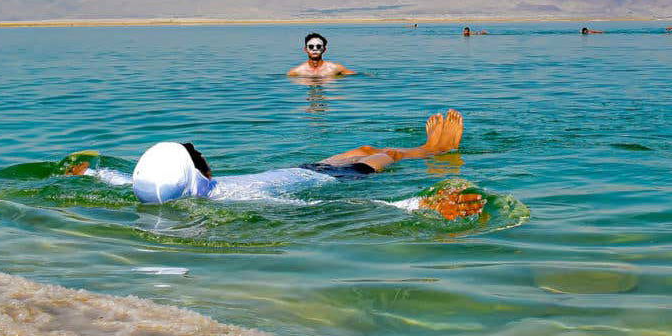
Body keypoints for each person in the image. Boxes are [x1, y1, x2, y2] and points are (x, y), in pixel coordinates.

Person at [65, 110, 485, 220]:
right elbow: (320, 206)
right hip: (337, 180)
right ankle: (435, 149)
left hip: (303, 168)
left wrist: (94, 173)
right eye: (196, 154)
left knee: (362, 145)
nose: (202, 154)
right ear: (197, 173)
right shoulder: (239, 198)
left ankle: (417, 149)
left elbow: (127, 181)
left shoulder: (157, 190)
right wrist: (419, 205)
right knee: (385, 155)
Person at [287, 33, 356, 78]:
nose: (314, 49)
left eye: (318, 46)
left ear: (324, 49)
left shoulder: (336, 68)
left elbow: (356, 77)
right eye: (311, 46)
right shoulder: (296, 72)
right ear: (305, 49)